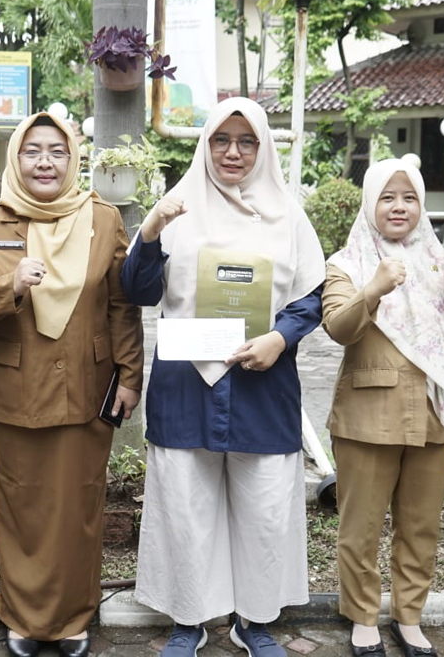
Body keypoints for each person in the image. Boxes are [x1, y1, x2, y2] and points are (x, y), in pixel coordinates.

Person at [121, 97, 325, 657]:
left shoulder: (288, 214)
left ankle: (252, 621)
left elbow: (313, 296)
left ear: (262, 149)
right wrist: (152, 231)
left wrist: (280, 337)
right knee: (185, 508)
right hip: (186, 382)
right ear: (204, 144)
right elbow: (138, 290)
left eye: (246, 141)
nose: (232, 152)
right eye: (221, 140)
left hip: (263, 382)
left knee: (263, 509)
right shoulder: (179, 207)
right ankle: (189, 620)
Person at [0, 112, 144, 657]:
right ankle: (23, 618)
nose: (45, 162)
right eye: (33, 150)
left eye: (57, 152)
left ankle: (74, 618)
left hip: (88, 385)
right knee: (22, 508)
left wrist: (130, 375)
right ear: (16, 157)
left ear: (73, 159)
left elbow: (121, 304)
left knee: (79, 509)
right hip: (14, 390)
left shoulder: (103, 220)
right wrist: (8, 286)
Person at [321, 159, 444, 657]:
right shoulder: (346, 263)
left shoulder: (437, 265)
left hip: (430, 414)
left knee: (421, 524)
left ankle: (409, 615)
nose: (399, 206)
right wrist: (376, 287)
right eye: (387, 196)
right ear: (370, 203)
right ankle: (362, 617)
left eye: (408, 197)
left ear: (421, 205)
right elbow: (338, 327)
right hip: (367, 415)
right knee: (360, 525)